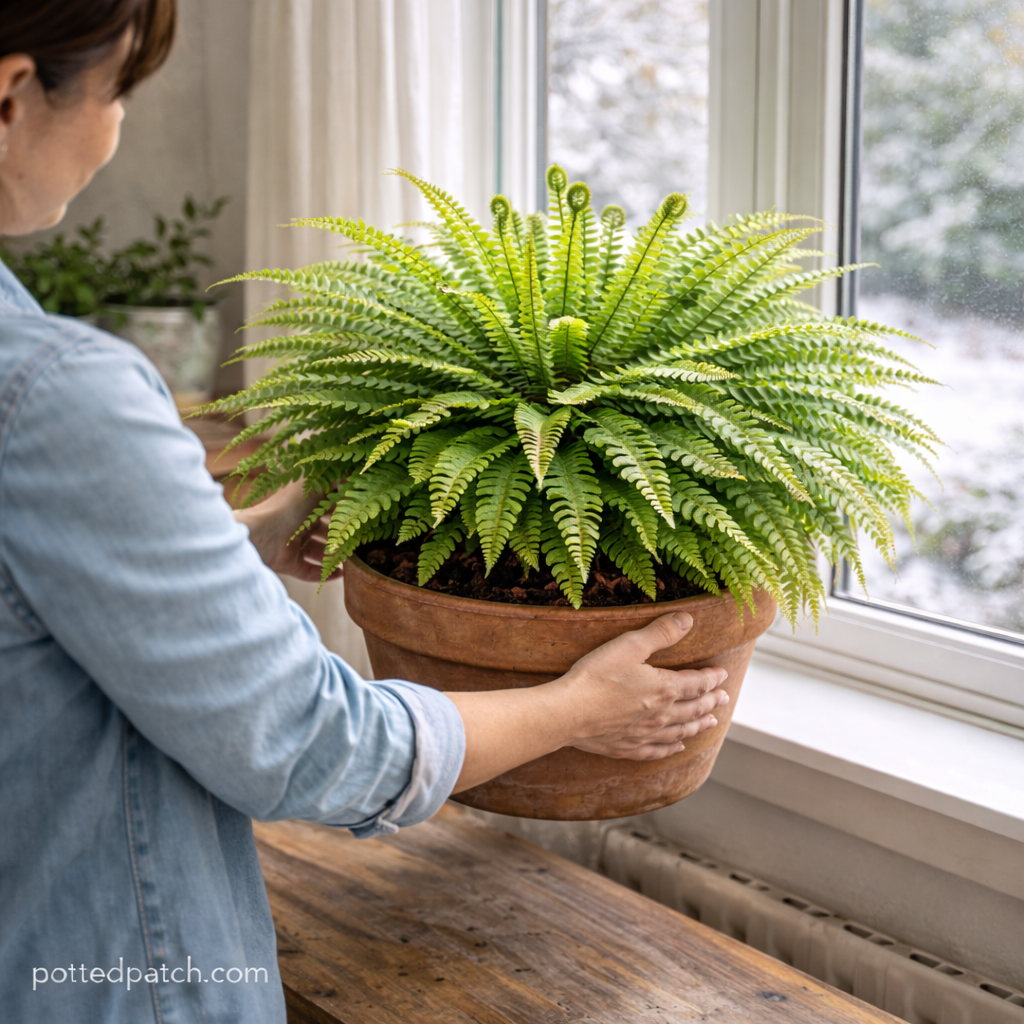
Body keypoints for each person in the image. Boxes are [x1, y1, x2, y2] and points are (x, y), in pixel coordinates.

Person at [0, 2, 730, 1020]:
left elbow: (34, 612)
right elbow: (311, 747)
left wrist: (241, 544)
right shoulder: (54, 392)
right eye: (121, 86)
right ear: (11, 93)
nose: (117, 125)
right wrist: (585, 707)